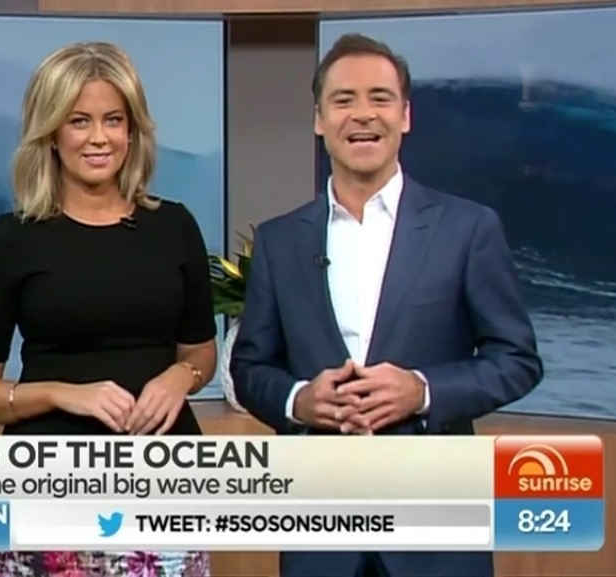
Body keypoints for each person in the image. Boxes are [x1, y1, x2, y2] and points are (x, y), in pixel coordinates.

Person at [230, 33, 544, 577]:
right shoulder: (280, 242)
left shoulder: (467, 229)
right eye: (343, 100)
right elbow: (251, 367)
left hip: (435, 533)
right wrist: (300, 400)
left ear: (405, 115)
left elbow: (517, 360)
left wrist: (422, 391)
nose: (363, 115)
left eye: (380, 98)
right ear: (319, 120)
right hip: (320, 534)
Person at [0, 42, 217, 577]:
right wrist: (62, 393)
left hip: (163, 482)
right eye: (79, 121)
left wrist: (179, 378)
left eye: (113, 120)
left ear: (132, 131)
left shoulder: (175, 227)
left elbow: (201, 355)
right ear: (51, 133)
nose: (99, 137)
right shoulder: (12, 240)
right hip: (47, 486)